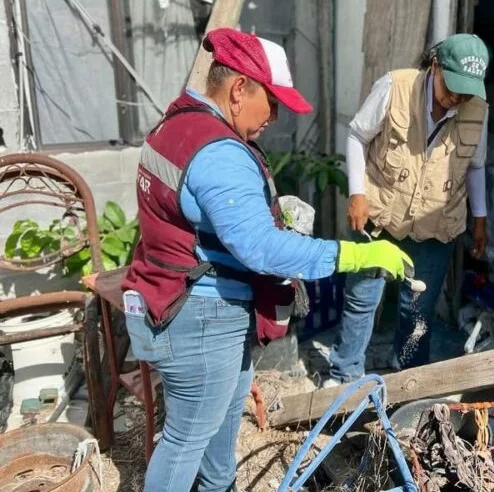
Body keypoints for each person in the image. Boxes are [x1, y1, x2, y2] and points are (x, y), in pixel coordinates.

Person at [121, 27, 414, 492]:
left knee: (216, 423)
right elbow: (261, 248)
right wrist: (353, 254)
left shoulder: (176, 126)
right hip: (200, 314)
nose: (274, 116)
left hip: (185, 300)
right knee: (184, 440)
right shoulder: (219, 152)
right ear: (239, 89)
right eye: (271, 102)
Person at [324, 33, 490, 387]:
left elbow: (475, 166)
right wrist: (357, 194)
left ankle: (408, 382)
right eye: (453, 86)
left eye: (467, 90)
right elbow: (356, 136)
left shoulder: (478, 110)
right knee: (362, 297)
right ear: (435, 66)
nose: (457, 98)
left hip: (436, 224)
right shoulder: (394, 87)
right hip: (380, 215)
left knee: (418, 312)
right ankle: (342, 375)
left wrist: (480, 219)